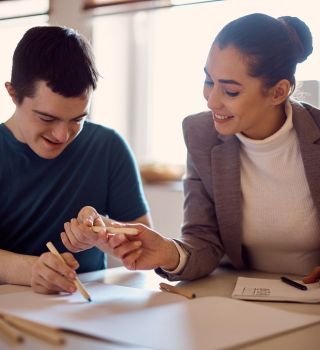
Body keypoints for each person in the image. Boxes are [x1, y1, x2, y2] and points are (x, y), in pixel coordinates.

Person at [67, 12, 320, 284]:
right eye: (209, 81)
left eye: (231, 91)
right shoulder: (201, 135)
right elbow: (204, 240)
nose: (212, 101)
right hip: (238, 299)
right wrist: (168, 252)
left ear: (278, 92)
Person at [0, 25, 151, 294]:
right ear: (13, 93)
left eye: (77, 120)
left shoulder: (107, 146)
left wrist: (105, 233)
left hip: (87, 308)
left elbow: (142, 242)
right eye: (47, 118)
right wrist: (29, 270)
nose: (62, 135)